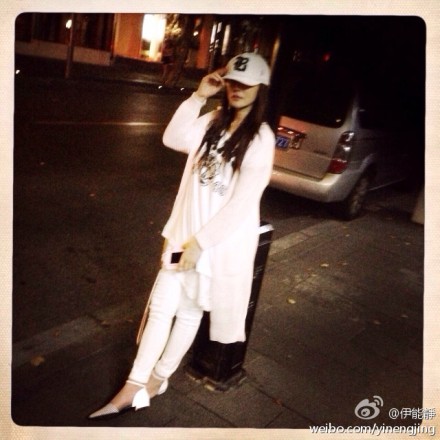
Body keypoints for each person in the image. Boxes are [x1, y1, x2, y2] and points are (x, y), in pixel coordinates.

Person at [88, 52, 275, 420]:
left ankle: (158, 379)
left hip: (214, 248)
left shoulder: (261, 139)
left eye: (245, 84)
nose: (236, 89)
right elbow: (172, 138)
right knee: (162, 306)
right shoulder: (214, 121)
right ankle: (135, 384)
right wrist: (198, 96)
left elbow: (243, 203)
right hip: (182, 238)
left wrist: (200, 244)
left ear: (260, 89)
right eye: (232, 81)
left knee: (189, 312)